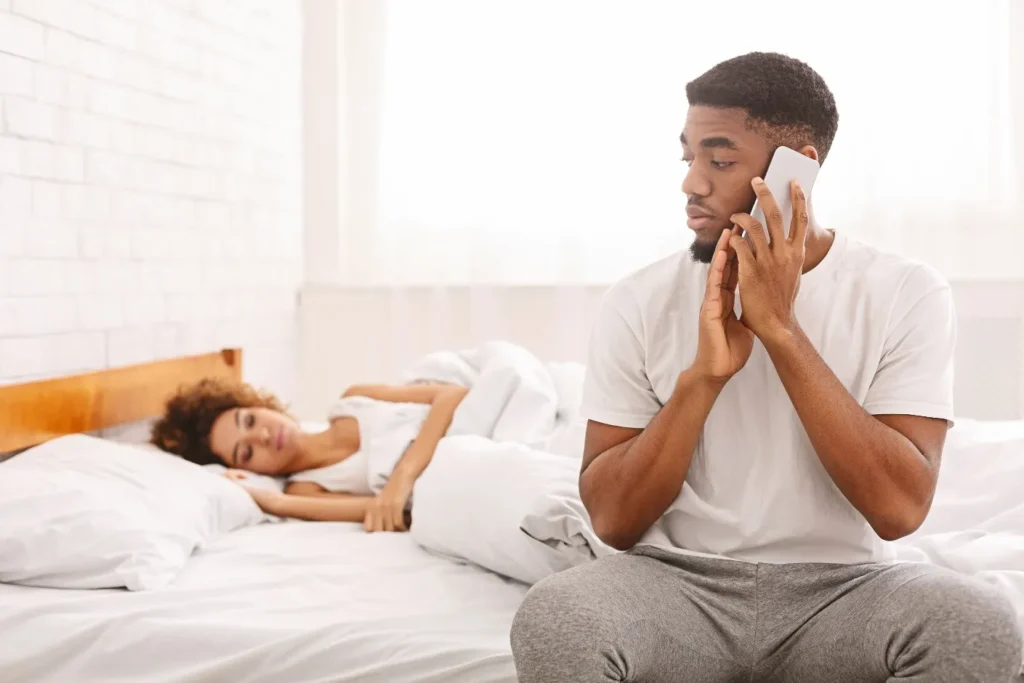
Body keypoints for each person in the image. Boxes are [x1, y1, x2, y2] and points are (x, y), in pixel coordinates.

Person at [510, 52, 1023, 682]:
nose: (691, 183)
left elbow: (899, 510)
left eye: (719, 160)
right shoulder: (639, 297)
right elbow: (614, 523)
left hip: (845, 591)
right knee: (557, 616)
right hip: (674, 589)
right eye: (688, 157)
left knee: (980, 622)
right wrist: (704, 378)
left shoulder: (907, 291)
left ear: (796, 169)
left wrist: (781, 331)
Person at [150, 377, 468, 532]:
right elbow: (389, 512)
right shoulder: (306, 488)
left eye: (249, 419)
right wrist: (225, 482)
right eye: (246, 452)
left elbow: (452, 394)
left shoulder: (354, 399)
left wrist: (403, 476)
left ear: (259, 405)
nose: (262, 435)